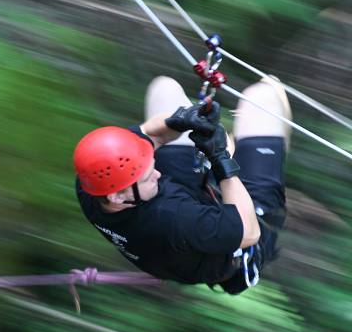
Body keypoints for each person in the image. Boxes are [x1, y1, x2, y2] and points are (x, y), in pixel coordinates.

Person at [73, 76, 290, 294]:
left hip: (185, 207)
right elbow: (249, 233)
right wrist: (221, 159)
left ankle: (225, 153)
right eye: (147, 176)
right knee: (266, 94)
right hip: (240, 241)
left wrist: (182, 119)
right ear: (117, 196)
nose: (157, 174)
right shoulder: (172, 218)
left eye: (151, 166)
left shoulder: (92, 183)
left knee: (163, 89)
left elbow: (149, 133)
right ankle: (244, 151)